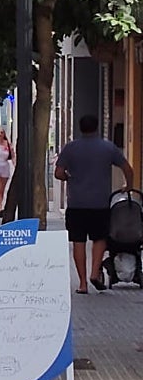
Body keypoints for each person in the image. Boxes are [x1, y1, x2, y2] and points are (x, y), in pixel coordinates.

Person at [55, 114, 135, 294]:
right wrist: (128, 186)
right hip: (100, 203)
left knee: (78, 241)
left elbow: (58, 173)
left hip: (76, 203)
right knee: (100, 238)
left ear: (80, 127)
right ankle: (94, 272)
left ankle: (82, 283)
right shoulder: (108, 148)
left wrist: (69, 177)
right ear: (97, 127)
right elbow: (127, 169)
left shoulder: (71, 148)